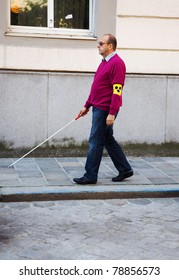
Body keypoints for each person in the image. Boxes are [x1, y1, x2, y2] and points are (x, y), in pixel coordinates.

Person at [73, 34, 133, 185]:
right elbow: (97, 87)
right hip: (98, 107)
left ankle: (90, 176)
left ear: (110, 46)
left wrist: (112, 112)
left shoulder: (117, 63)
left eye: (101, 43)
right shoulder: (104, 62)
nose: (98, 45)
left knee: (95, 141)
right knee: (107, 139)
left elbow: (117, 90)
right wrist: (86, 105)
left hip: (106, 109)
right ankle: (125, 169)